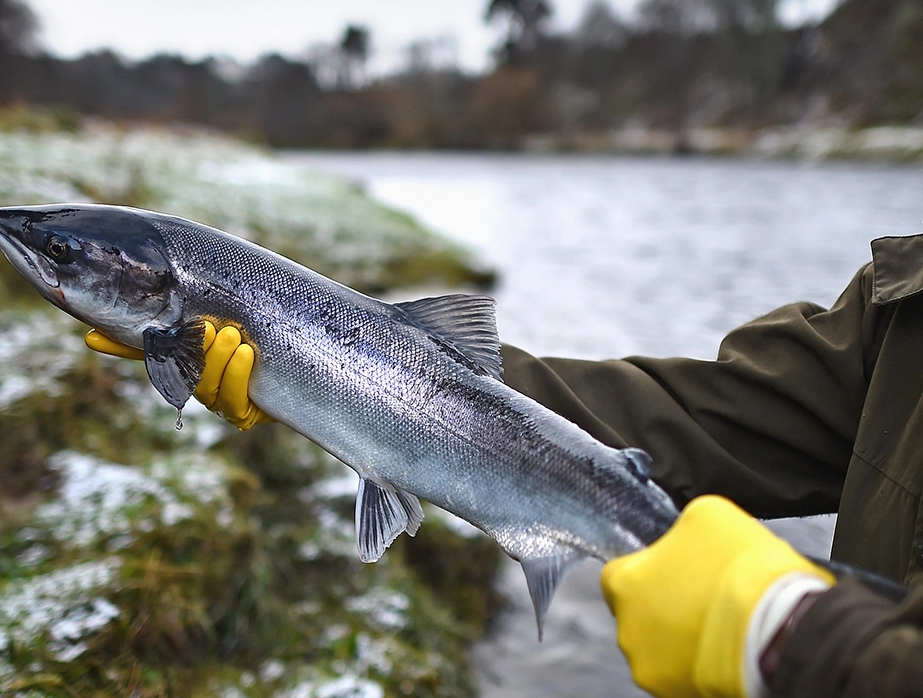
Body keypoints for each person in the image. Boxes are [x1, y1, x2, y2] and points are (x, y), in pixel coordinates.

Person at [85, 234, 923, 698]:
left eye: (59, 257)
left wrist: (792, 634)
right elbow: (703, 418)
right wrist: (352, 374)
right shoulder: (900, 312)